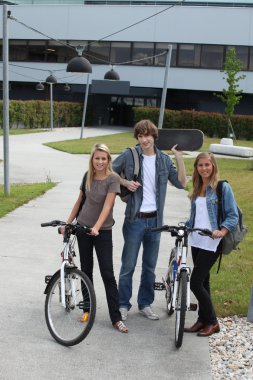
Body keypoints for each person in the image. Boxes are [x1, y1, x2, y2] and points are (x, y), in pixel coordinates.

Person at [112, 119, 187, 321]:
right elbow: (108, 171)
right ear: (137, 137)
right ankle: (122, 304)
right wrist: (125, 181)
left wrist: (178, 158)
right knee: (128, 265)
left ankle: (145, 304)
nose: (144, 139)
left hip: (155, 222)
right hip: (135, 220)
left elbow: (181, 183)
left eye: (148, 135)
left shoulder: (163, 159)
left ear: (154, 136)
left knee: (150, 267)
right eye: (140, 135)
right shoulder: (130, 155)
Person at [63, 143, 128, 333]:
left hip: (102, 231)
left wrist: (97, 228)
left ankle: (116, 318)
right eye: (97, 158)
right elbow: (79, 201)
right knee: (86, 271)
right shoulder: (87, 176)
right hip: (82, 228)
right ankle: (87, 309)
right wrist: (68, 224)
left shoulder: (113, 179)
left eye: (103, 158)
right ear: (92, 159)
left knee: (107, 273)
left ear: (108, 160)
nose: (100, 161)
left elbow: (108, 206)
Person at [184, 152, 238, 337]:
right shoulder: (198, 186)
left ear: (213, 166)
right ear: (196, 168)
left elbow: (232, 215)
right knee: (204, 281)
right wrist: (186, 225)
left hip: (212, 241)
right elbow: (198, 216)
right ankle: (202, 320)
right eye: (200, 165)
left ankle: (213, 322)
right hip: (197, 239)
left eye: (207, 165)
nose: (204, 168)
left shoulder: (222, 187)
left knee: (195, 282)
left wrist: (222, 231)